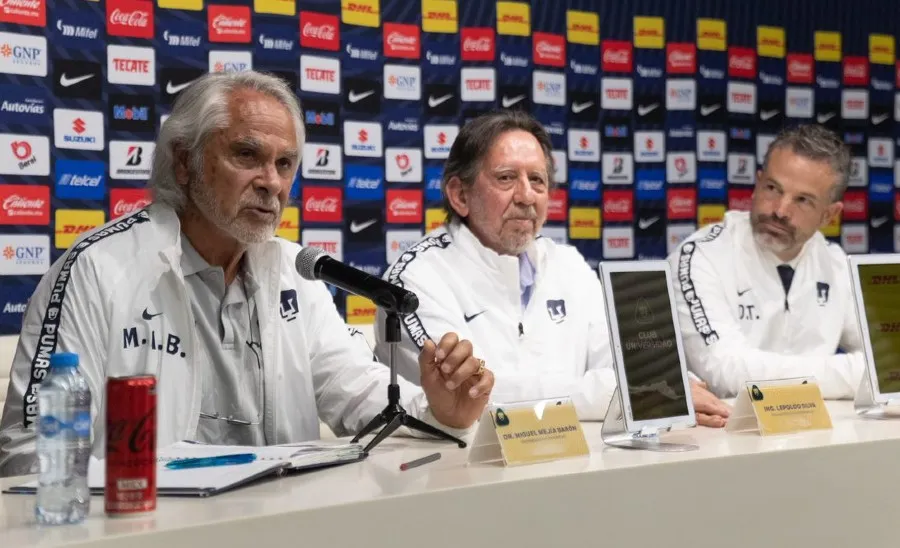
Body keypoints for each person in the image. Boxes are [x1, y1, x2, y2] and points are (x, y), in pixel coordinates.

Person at [0, 71, 493, 478]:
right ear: (185, 162)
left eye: (285, 163)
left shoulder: (296, 275)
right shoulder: (99, 268)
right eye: (247, 155)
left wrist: (442, 411)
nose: (272, 183)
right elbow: (28, 453)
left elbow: (361, 396)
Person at [374, 110, 730, 427]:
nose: (527, 196)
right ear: (460, 195)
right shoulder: (415, 278)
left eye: (538, 181)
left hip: (578, 467)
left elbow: (626, 361)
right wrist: (626, 393)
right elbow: (473, 397)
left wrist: (665, 384)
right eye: (506, 178)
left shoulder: (568, 264)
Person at [667, 124, 864, 399]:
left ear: (829, 215)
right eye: (772, 188)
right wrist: (854, 374)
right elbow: (726, 373)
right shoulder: (702, 256)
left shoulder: (835, 263)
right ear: (757, 183)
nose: (780, 211)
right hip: (724, 436)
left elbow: (889, 363)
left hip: (817, 433)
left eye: (803, 200)